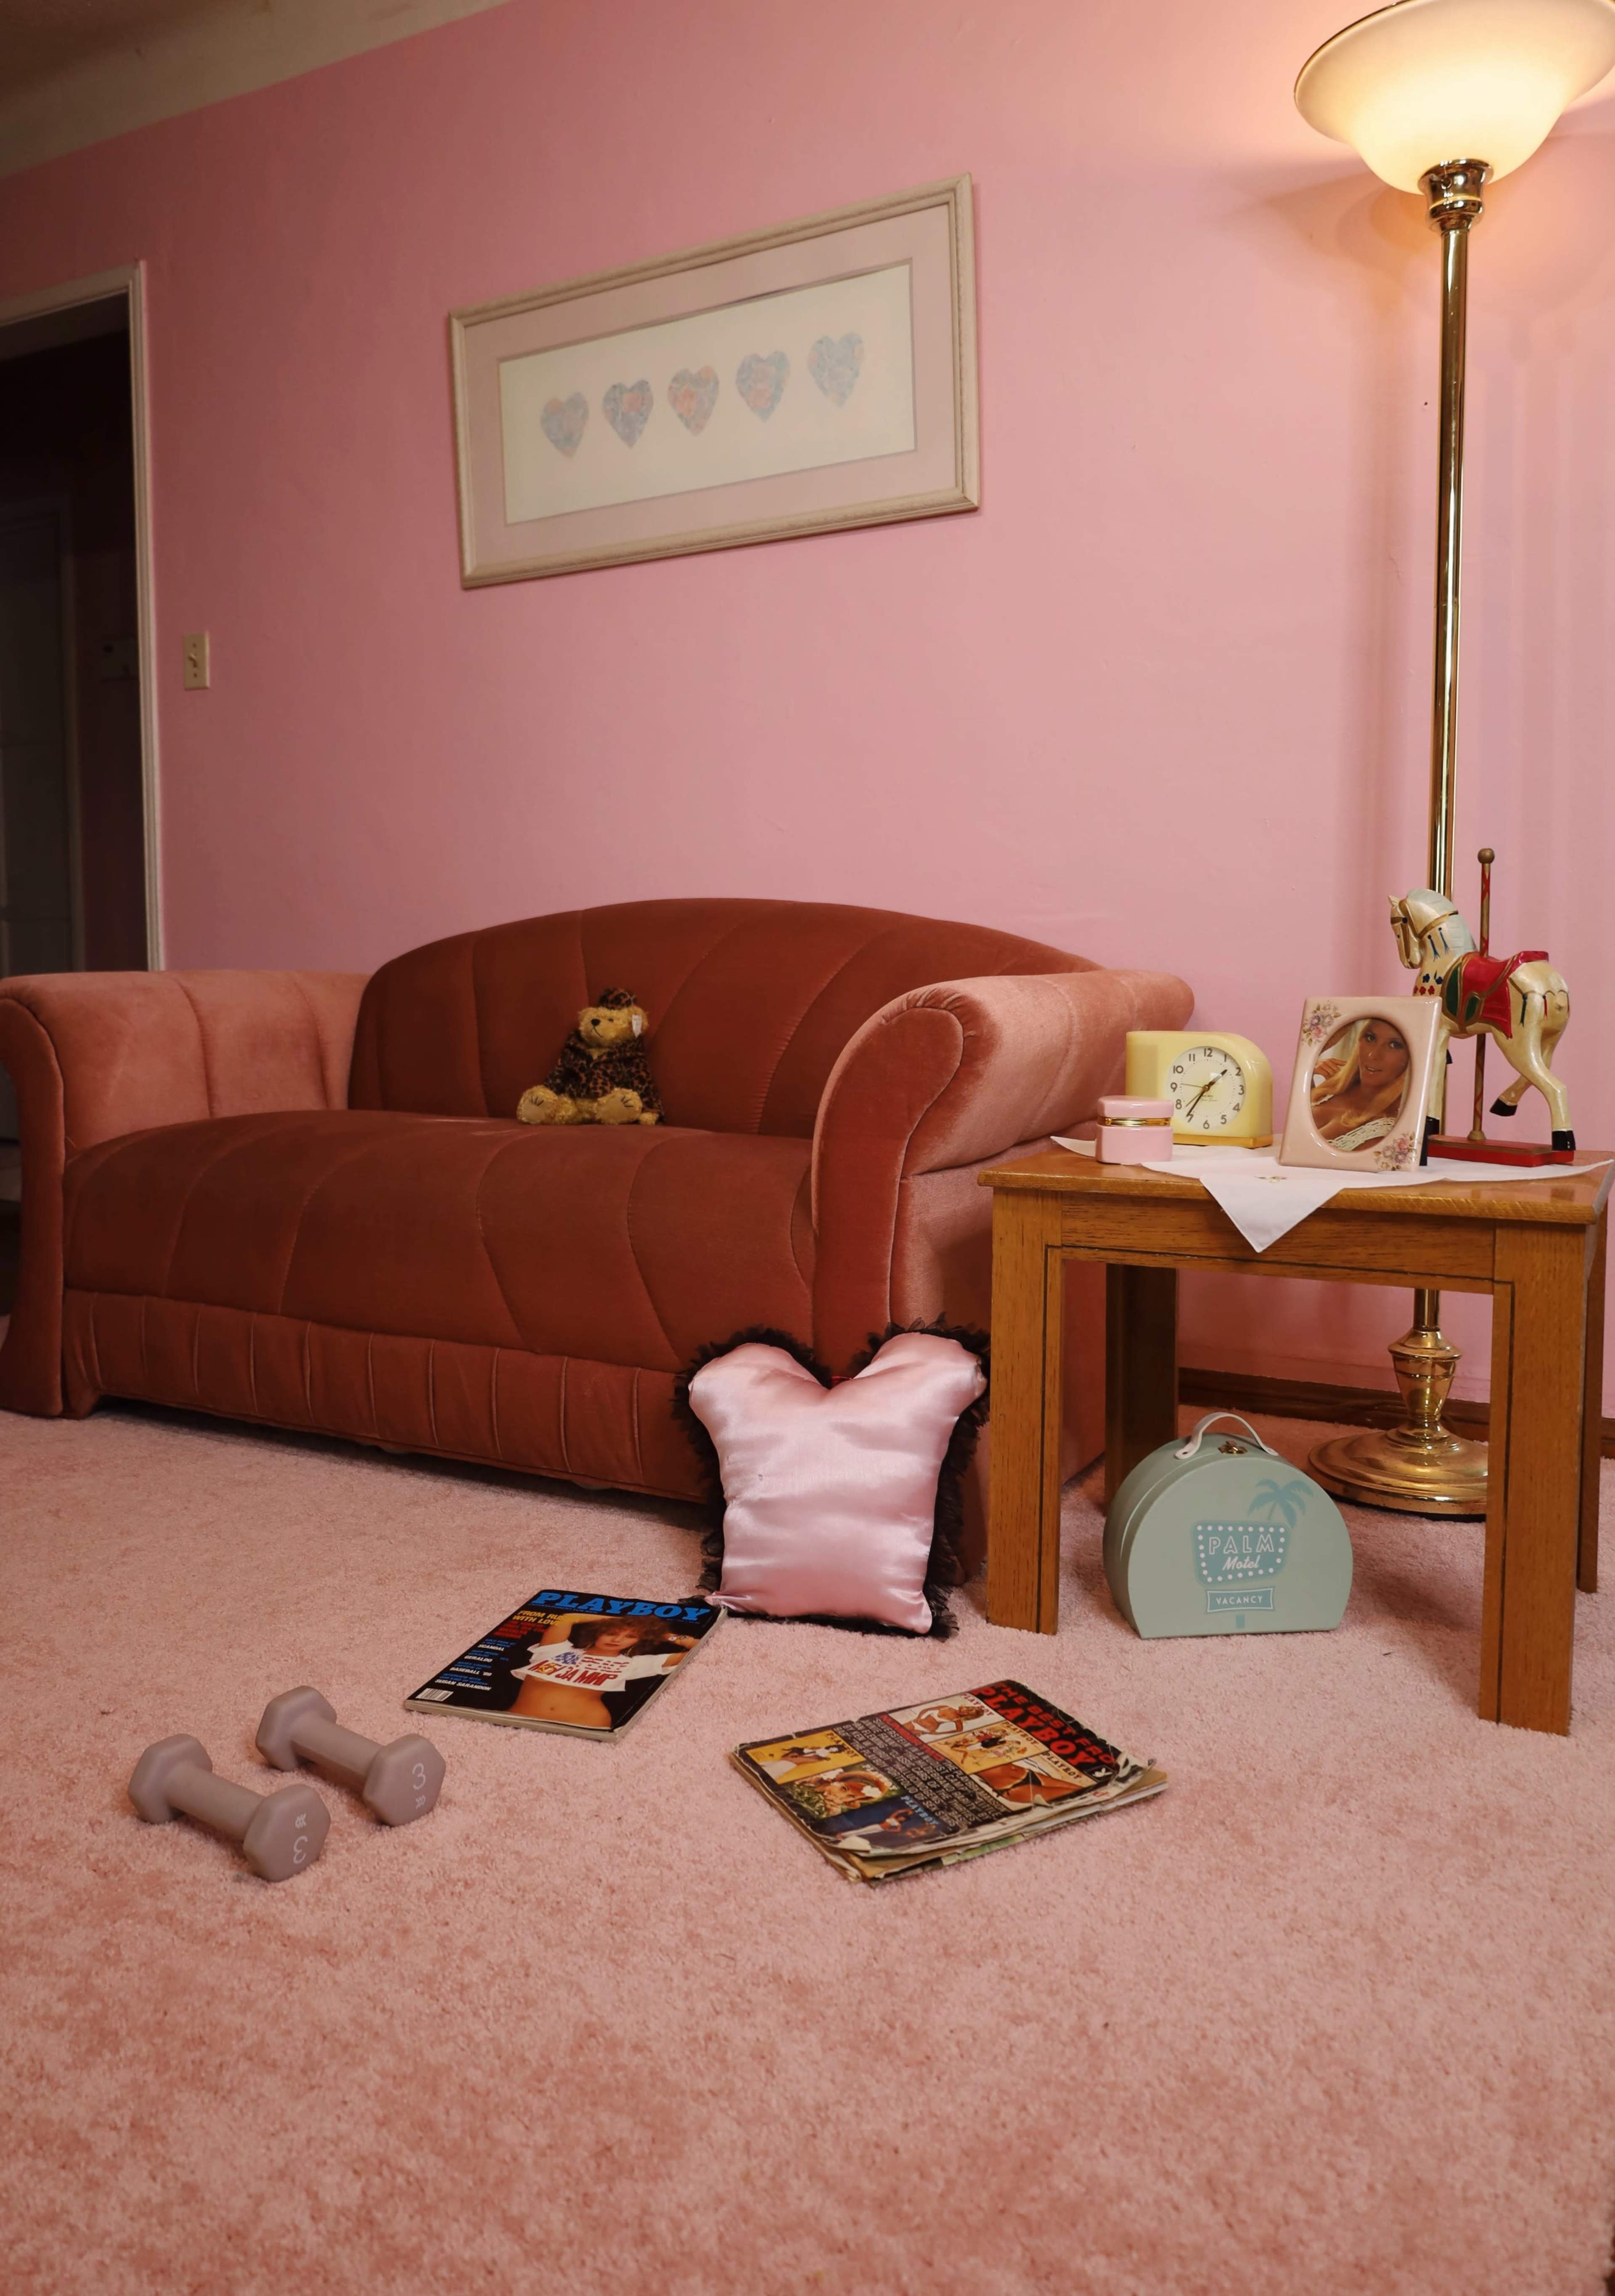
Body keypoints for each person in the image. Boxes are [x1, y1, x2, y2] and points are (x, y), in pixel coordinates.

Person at [510, 1613, 694, 1730]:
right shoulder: (557, 1649)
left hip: (588, 1724)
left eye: (630, 1637)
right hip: (522, 1719)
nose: (617, 1640)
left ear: (638, 1641)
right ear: (599, 1631)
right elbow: (567, 1618)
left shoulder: (633, 1664)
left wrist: (661, 1634)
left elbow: (697, 1648)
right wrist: (615, 1619)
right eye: (612, 1633)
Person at [1310, 1017, 1412, 1153]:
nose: (1373, 1055)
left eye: (1394, 1045)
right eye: (1370, 1038)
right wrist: (1308, 1071)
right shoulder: (1331, 1088)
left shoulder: (1392, 1125)